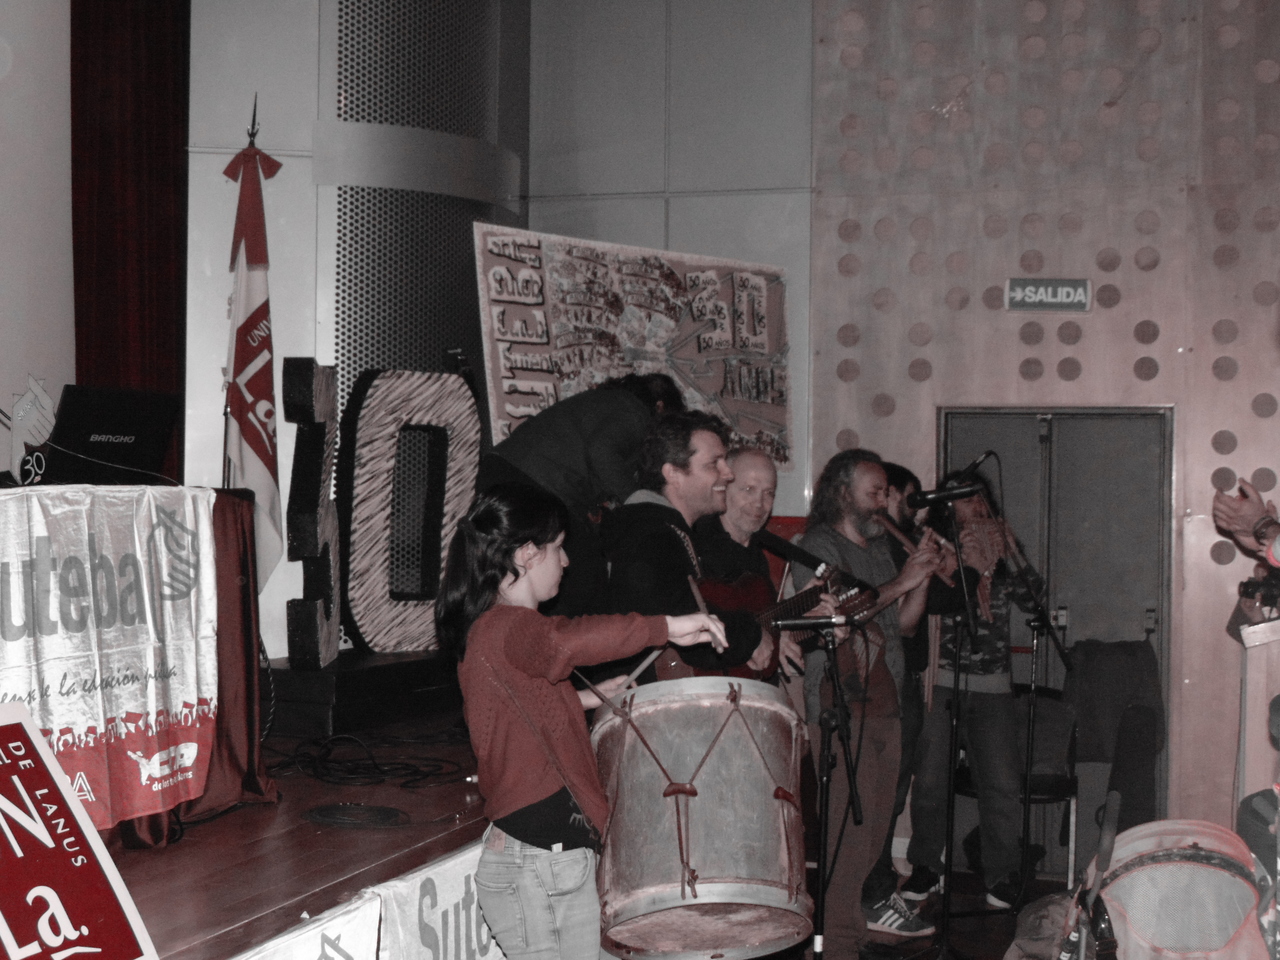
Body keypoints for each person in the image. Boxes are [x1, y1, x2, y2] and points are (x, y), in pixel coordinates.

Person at [435, 482, 726, 960]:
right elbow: (565, 642)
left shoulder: (496, 629)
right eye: (558, 547)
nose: (567, 561)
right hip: (539, 862)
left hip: (546, 859)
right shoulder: (508, 624)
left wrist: (585, 700)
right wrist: (666, 626)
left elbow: (518, 707)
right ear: (527, 554)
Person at [792, 449, 941, 951]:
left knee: (874, 836)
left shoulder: (878, 549)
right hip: (842, 705)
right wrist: (901, 581)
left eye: (885, 493)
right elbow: (839, 616)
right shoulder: (818, 546)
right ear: (842, 493)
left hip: (886, 702)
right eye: (874, 492)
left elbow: (904, 625)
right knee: (846, 838)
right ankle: (836, 944)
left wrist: (920, 576)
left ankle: (849, 937)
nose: (882, 502)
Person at [904, 473, 1045, 910]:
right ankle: (926, 867)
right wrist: (966, 566)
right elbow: (930, 599)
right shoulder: (931, 546)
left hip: (993, 685)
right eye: (965, 500)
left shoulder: (1002, 545)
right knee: (930, 782)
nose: (977, 506)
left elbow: (1034, 600)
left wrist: (1006, 556)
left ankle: (1001, 874)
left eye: (981, 497)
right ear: (946, 506)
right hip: (941, 680)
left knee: (1001, 784)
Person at [476, 373, 685, 615]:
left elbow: (589, 458)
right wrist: (639, 502)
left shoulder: (607, 402)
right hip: (530, 478)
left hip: (504, 470)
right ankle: (569, 636)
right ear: (660, 407)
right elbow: (601, 453)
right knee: (586, 573)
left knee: (510, 575)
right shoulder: (636, 412)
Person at [602, 411, 771, 678]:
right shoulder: (650, 533)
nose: (728, 474)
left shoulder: (658, 527)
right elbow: (682, 619)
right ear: (673, 474)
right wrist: (751, 636)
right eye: (714, 464)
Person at [859, 462, 931, 915]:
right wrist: (911, 574)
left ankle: (880, 884)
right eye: (907, 499)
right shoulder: (871, 547)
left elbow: (911, 624)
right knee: (878, 793)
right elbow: (897, 625)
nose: (913, 511)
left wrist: (924, 571)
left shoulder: (900, 543)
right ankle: (873, 891)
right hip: (878, 684)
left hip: (907, 682)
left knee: (896, 790)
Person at [691, 447, 807, 680]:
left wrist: (799, 623)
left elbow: (762, 622)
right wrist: (754, 639)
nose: (759, 503)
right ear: (722, 488)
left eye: (769, 493)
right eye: (748, 489)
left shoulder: (756, 555)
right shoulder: (697, 542)